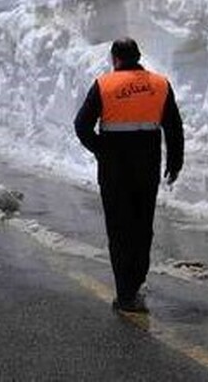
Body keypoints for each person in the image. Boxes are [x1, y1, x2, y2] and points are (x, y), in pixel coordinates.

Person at [74, 37, 183, 314]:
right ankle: (136, 282)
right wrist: (175, 160)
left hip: (114, 171)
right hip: (147, 168)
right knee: (142, 227)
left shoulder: (104, 85)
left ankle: (125, 294)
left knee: (119, 229)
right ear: (137, 56)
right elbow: (173, 126)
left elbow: (81, 125)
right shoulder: (159, 84)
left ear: (115, 59)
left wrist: (101, 150)